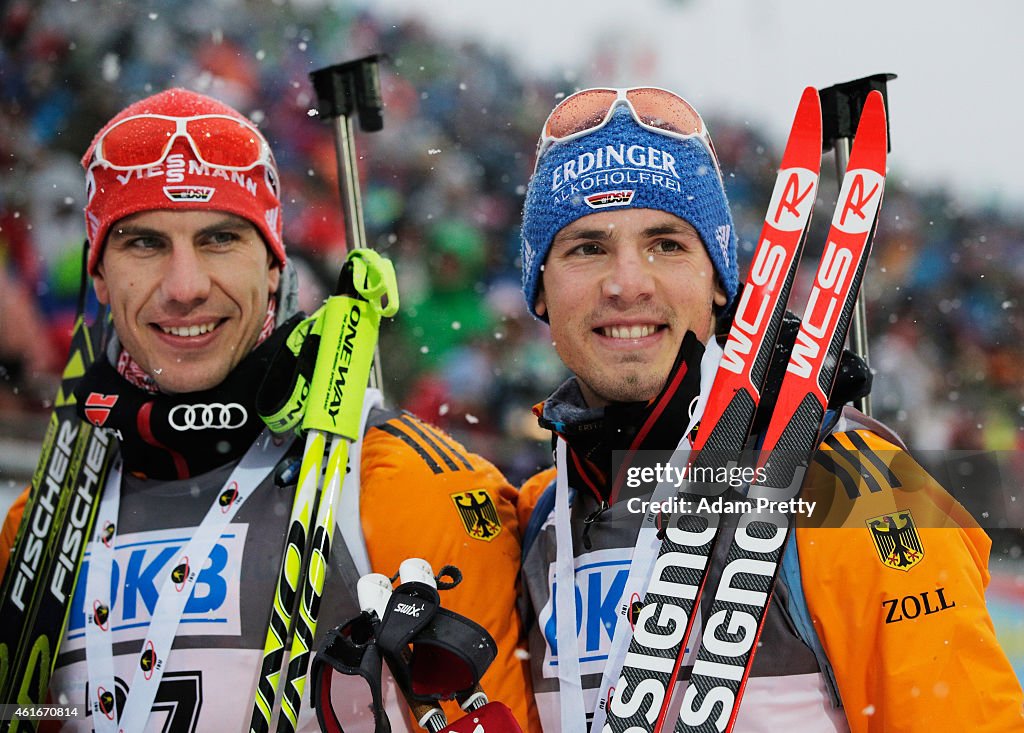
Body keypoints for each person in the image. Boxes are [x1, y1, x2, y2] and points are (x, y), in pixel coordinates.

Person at [0, 88, 539, 732]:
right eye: (143, 244)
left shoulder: (400, 485)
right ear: (99, 276)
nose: (185, 287)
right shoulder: (41, 524)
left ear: (275, 265)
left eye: (220, 238)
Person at [514, 87, 1024, 731]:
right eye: (586, 248)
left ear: (721, 280)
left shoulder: (860, 497)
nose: (627, 283)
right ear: (539, 288)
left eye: (666, 244)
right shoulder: (536, 522)